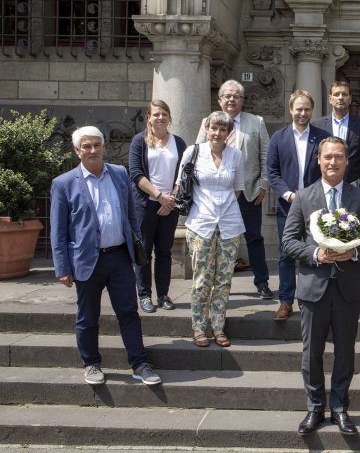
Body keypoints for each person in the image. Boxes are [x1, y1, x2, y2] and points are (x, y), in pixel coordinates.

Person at [283, 136, 360, 436]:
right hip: (314, 287)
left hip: (348, 289)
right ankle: (314, 407)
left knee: (345, 352)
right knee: (311, 352)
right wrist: (315, 254)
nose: (333, 162)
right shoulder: (303, 197)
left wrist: (354, 251)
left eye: (339, 157)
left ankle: (339, 407)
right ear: (319, 160)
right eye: (328, 157)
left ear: (347, 161)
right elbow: (289, 241)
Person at [50, 125, 161, 386]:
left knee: (129, 312)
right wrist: (62, 268)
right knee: (88, 317)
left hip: (119, 258)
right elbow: (59, 231)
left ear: (104, 146)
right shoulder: (63, 184)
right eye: (86, 146)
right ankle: (91, 363)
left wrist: (136, 246)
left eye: (96, 145)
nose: (92, 150)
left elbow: (130, 214)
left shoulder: (120, 174)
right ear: (77, 151)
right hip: (86, 261)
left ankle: (139, 363)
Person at [196, 80, 273, 299]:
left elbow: (266, 156)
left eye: (236, 96)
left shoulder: (255, 122)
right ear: (220, 100)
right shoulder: (208, 122)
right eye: (227, 96)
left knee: (254, 238)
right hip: (215, 195)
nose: (231, 99)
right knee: (215, 240)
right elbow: (198, 154)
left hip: (248, 192)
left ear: (242, 100)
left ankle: (262, 283)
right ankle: (217, 285)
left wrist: (263, 185)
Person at [178, 111, 245, 348]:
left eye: (223, 129)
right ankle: (198, 327)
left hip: (229, 224)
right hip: (201, 224)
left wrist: (222, 208)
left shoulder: (236, 155)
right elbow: (181, 185)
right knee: (202, 278)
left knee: (224, 279)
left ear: (229, 133)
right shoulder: (192, 152)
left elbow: (237, 189)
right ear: (207, 128)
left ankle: (218, 326)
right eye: (213, 128)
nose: (217, 133)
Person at [267, 90, 330, 321]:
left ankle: (313, 298)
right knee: (286, 254)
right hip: (288, 206)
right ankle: (285, 301)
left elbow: (327, 167)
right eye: (299, 109)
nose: (303, 113)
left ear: (312, 110)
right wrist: (287, 194)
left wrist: (313, 196)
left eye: (307, 109)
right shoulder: (278, 138)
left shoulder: (322, 137)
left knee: (316, 251)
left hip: (316, 205)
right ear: (291, 109)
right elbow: (272, 172)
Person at [128, 100, 187, 313]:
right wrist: (159, 195)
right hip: (145, 205)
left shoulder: (179, 143)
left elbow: (184, 174)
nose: (160, 117)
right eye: (156, 114)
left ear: (169, 117)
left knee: (164, 251)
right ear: (149, 118)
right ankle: (144, 295)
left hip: (169, 205)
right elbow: (135, 174)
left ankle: (163, 295)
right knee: (143, 250)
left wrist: (170, 199)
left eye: (164, 114)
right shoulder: (139, 141)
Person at [311, 81, 360, 200]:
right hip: (324, 190)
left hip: (354, 189)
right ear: (330, 99)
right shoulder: (317, 125)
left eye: (344, 94)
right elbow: (315, 160)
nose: (340, 98)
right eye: (336, 94)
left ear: (350, 99)